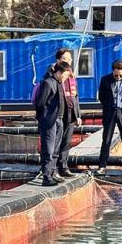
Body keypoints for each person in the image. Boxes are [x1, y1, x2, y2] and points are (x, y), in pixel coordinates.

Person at [95, 60, 122, 176]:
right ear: (113, 71)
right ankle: (102, 166)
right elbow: (102, 96)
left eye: (121, 76)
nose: (118, 78)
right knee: (106, 140)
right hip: (110, 111)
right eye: (116, 75)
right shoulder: (105, 79)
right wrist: (109, 105)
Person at [45, 48, 82, 178]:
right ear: (58, 60)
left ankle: (64, 167)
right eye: (64, 59)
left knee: (66, 141)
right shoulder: (52, 73)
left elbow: (75, 96)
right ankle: (52, 169)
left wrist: (78, 115)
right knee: (55, 142)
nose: (68, 61)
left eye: (69, 59)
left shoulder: (71, 75)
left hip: (70, 111)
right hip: (59, 111)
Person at [35, 63, 71, 186]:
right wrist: (44, 118)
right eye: (65, 76)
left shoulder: (60, 83)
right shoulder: (48, 83)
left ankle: (52, 173)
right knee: (48, 150)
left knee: (56, 150)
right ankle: (46, 177)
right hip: (49, 121)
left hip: (59, 120)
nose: (65, 79)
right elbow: (40, 104)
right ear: (59, 73)